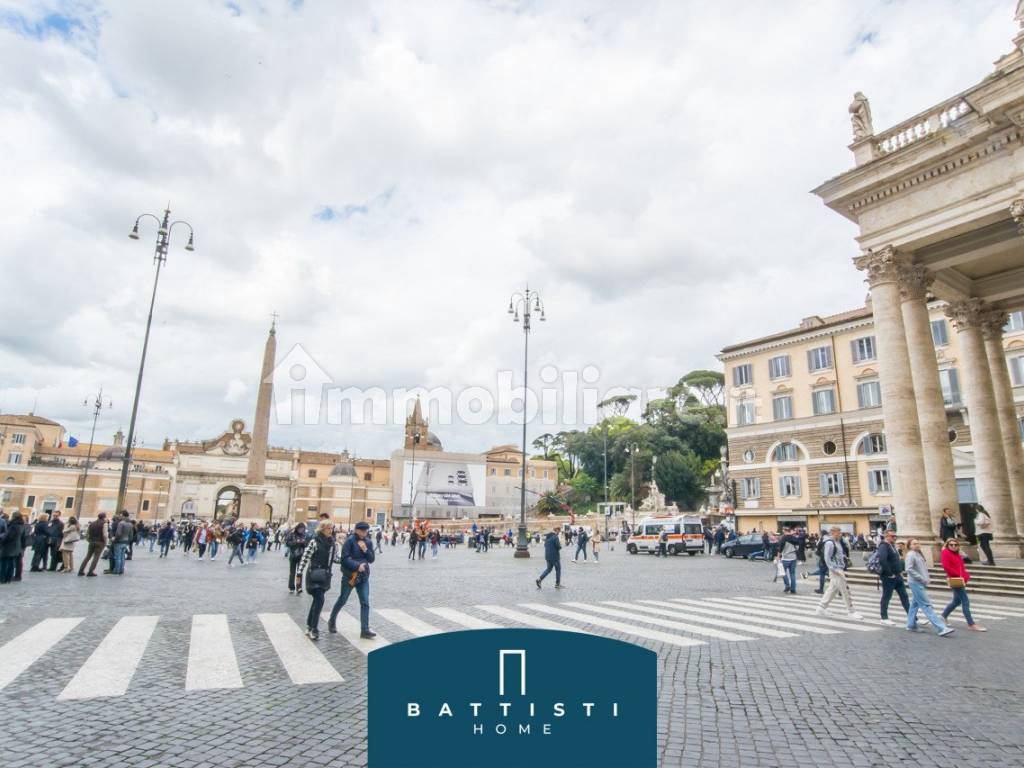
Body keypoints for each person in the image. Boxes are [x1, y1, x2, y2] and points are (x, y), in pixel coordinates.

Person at [327, 521, 377, 639]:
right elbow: (344, 559)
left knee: (365, 602)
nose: (365, 533)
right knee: (343, 599)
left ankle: (364, 629)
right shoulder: (349, 541)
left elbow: (371, 559)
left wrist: (365, 550)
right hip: (350, 576)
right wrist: (356, 566)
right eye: (363, 530)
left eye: (366, 531)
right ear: (357, 530)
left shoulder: (368, 542)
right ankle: (332, 620)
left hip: (363, 577)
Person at [295, 521, 337, 641]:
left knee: (316, 602)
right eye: (329, 528)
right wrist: (299, 573)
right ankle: (314, 628)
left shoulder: (332, 543)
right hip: (314, 575)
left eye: (332, 528)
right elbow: (305, 557)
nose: (331, 530)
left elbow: (335, 559)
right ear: (323, 529)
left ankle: (309, 626)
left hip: (325, 576)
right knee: (319, 599)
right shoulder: (314, 541)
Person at [905, 538, 955, 637]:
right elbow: (909, 569)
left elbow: (922, 568)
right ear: (910, 546)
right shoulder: (911, 555)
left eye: (918, 543)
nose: (917, 545)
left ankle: (911, 624)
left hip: (920, 582)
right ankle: (941, 628)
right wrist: (922, 578)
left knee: (915, 605)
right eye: (914, 543)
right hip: (916, 582)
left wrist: (926, 578)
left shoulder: (918, 554)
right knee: (926, 605)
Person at [940, 538, 987, 632]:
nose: (953, 546)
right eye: (951, 545)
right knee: (965, 601)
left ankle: (943, 616)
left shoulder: (957, 554)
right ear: (947, 545)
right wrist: (957, 575)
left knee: (956, 601)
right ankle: (971, 624)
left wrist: (966, 576)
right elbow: (946, 567)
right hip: (955, 580)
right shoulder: (945, 553)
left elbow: (962, 566)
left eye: (955, 545)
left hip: (961, 580)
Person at [816, 527, 862, 619]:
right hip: (836, 570)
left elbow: (837, 554)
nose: (840, 534)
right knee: (845, 590)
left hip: (838, 568)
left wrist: (844, 557)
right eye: (838, 532)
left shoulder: (836, 542)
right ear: (833, 533)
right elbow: (827, 557)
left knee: (832, 589)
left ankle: (821, 607)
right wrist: (833, 569)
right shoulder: (830, 543)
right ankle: (851, 611)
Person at [876, 529, 909, 626]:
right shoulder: (883, 546)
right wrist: (889, 573)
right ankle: (884, 617)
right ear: (886, 536)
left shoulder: (893, 546)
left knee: (904, 596)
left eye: (895, 536)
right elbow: (882, 559)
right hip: (888, 576)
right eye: (892, 536)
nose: (894, 538)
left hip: (897, 575)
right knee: (887, 596)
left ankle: (912, 616)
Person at [0, 511, 27, 584]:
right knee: (11, 563)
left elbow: (8, 536)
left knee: (4, 563)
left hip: (9, 546)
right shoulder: (22, 525)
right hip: (17, 546)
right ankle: (8, 578)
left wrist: (2, 539)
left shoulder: (13, 525)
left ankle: (2, 578)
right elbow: (23, 538)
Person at [775, 527, 804, 594]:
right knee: (792, 574)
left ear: (785, 531)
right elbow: (797, 547)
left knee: (783, 573)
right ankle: (793, 589)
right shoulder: (794, 538)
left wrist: (778, 557)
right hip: (793, 558)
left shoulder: (784, 538)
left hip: (785, 558)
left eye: (783, 531)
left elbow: (780, 548)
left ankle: (787, 585)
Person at [78, 513, 107, 577]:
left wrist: (89, 540)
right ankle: (90, 571)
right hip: (100, 542)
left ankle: (81, 570)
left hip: (92, 541)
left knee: (87, 556)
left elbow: (87, 534)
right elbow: (104, 534)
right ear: (104, 517)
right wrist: (105, 542)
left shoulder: (92, 523)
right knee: (96, 557)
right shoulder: (104, 523)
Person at [285, 522, 309, 594]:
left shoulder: (304, 535)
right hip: (293, 555)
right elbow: (287, 543)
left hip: (301, 556)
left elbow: (307, 544)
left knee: (300, 572)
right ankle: (291, 587)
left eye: (303, 529)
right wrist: (296, 542)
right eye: (300, 528)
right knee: (292, 572)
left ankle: (299, 587)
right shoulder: (292, 534)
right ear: (297, 528)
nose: (301, 530)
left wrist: (303, 543)